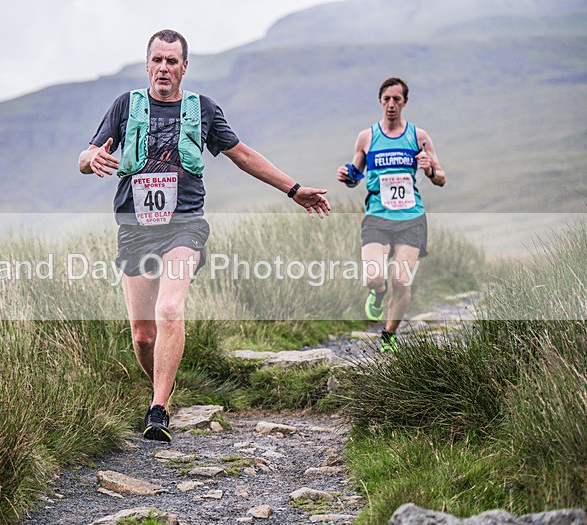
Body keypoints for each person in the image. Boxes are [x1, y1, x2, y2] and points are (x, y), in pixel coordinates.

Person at [79, 29, 331, 442]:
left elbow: (244, 156)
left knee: (170, 309)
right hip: (135, 229)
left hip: (185, 225)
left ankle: (158, 408)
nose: (164, 68)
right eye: (157, 60)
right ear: (147, 64)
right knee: (143, 336)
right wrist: (92, 158)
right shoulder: (125, 106)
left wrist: (294, 189)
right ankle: (162, 384)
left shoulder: (203, 110)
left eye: (172, 61)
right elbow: (85, 157)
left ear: (184, 67)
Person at [336, 77, 446, 352]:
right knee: (374, 276)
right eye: (386, 99)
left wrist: (430, 169)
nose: (391, 104)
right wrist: (346, 176)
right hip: (377, 215)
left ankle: (389, 335)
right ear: (380, 101)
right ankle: (377, 292)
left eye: (397, 99)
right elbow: (355, 176)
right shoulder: (367, 137)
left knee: (401, 279)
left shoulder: (419, 137)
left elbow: (441, 178)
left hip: (411, 217)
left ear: (405, 102)